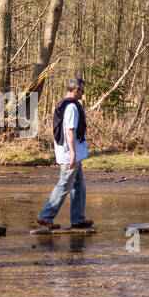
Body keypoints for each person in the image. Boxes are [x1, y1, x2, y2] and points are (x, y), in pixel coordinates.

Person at [37, 77, 93, 229]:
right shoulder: (71, 108)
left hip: (71, 153)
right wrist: (73, 154)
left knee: (78, 185)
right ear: (76, 91)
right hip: (71, 154)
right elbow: (69, 131)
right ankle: (46, 215)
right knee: (65, 185)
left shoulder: (64, 105)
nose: (83, 94)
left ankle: (78, 219)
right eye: (82, 91)